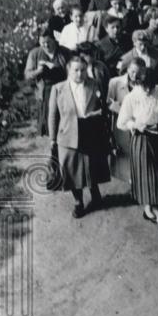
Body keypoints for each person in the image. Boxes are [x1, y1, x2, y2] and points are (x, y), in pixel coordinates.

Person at [117, 65, 158, 234]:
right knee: (150, 177)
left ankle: (148, 208)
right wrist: (137, 125)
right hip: (143, 140)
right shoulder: (132, 97)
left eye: (151, 85)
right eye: (144, 86)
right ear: (138, 83)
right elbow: (121, 122)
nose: (148, 89)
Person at [48, 57, 110, 218]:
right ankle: (78, 202)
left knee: (91, 165)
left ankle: (95, 194)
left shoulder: (94, 84)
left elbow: (103, 107)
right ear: (68, 70)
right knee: (72, 169)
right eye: (75, 70)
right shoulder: (58, 88)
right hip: (68, 134)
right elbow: (53, 116)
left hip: (90, 130)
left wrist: (97, 115)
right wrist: (52, 139)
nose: (79, 73)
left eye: (82, 69)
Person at [24, 32, 66, 136]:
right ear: (39, 42)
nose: (46, 45)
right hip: (45, 89)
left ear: (54, 40)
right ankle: (50, 139)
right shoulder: (35, 53)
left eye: (48, 42)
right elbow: (27, 74)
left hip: (62, 87)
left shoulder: (64, 52)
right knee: (47, 116)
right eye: (43, 43)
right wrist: (38, 71)